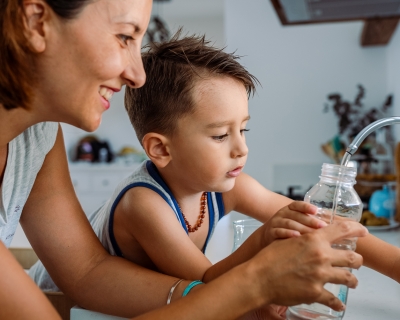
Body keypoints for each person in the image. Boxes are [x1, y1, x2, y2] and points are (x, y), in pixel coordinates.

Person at [0, 0, 367, 319]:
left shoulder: (38, 135)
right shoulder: (144, 202)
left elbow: (86, 272)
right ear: (36, 22)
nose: (137, 74)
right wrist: (253, 282)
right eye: (125, 36)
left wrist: (239, 293)